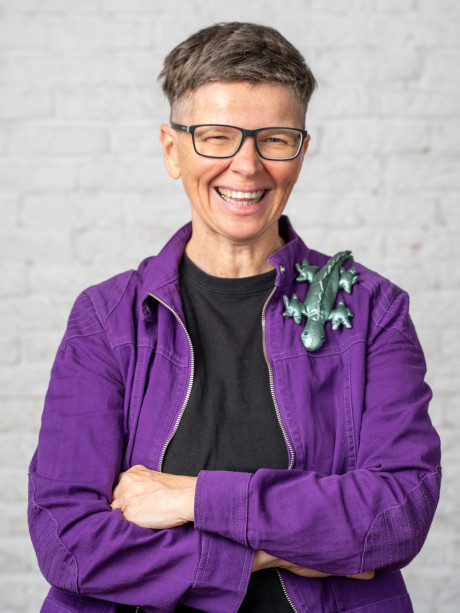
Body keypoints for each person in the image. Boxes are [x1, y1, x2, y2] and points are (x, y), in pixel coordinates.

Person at [28, 22, 441, 613]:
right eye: (216, 137)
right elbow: (68, 543)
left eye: (274, 139)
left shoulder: (373, 310)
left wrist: (195, 499)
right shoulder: (107, 319)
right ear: (172, 150)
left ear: (301, 150)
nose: (246, 166)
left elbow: (397, 515)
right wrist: (281, 550)